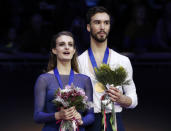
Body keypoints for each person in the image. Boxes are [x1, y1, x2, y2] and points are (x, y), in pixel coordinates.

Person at [78, 6, 138, 131]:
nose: (102, 27)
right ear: (88, 27)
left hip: (114, 120)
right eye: (97, 22)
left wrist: (123, 99)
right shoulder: (78, 62)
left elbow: (133, 97)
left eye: (106, 23)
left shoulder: (122, 61)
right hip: (88, 121)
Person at [34, 31, 94, 131]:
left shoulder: (85, 80)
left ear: (74, 50)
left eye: (70, 45)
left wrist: (81, 121)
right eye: (62, 44)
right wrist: (58, 115)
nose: (67, 47)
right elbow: (37, 116)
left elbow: (91, 115)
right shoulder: (43, 79)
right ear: (54, 50)